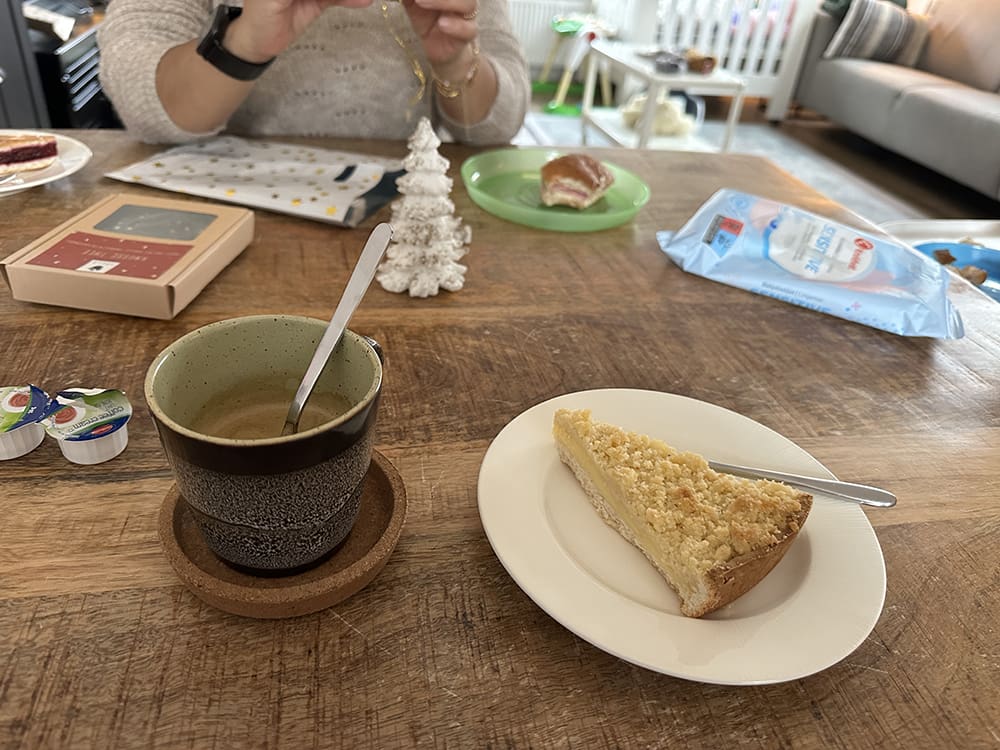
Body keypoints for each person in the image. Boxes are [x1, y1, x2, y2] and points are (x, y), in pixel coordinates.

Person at [97, 0, 530, 145]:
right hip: (217, 225)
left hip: (402, 222)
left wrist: (455, 62)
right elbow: (140, 95)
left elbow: (499, 125)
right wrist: (244, 44)